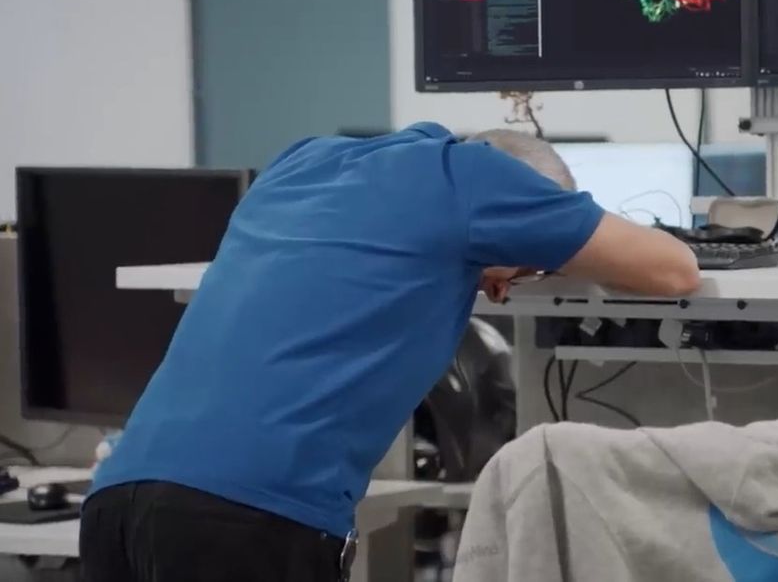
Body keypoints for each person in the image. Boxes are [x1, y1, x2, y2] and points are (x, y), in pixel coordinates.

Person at [79, 123, 701, 582]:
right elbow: (674, 269)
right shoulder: (478, 177)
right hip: (249, 517)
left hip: (117, 503)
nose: (506, 286)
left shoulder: (304, 160)